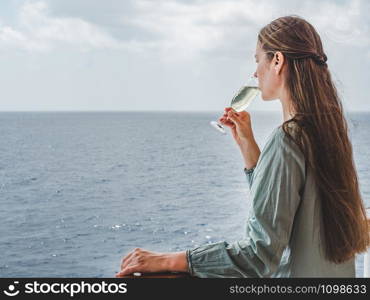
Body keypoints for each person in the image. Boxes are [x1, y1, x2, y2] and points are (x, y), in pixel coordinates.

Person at [115, 15, 369, 278]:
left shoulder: (288, 140)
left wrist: (171, 260)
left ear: (277, 61)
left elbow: (259, 257)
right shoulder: (328, 135)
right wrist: (249, 147)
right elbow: (282, 206)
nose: (255, 72)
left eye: (258, 59)